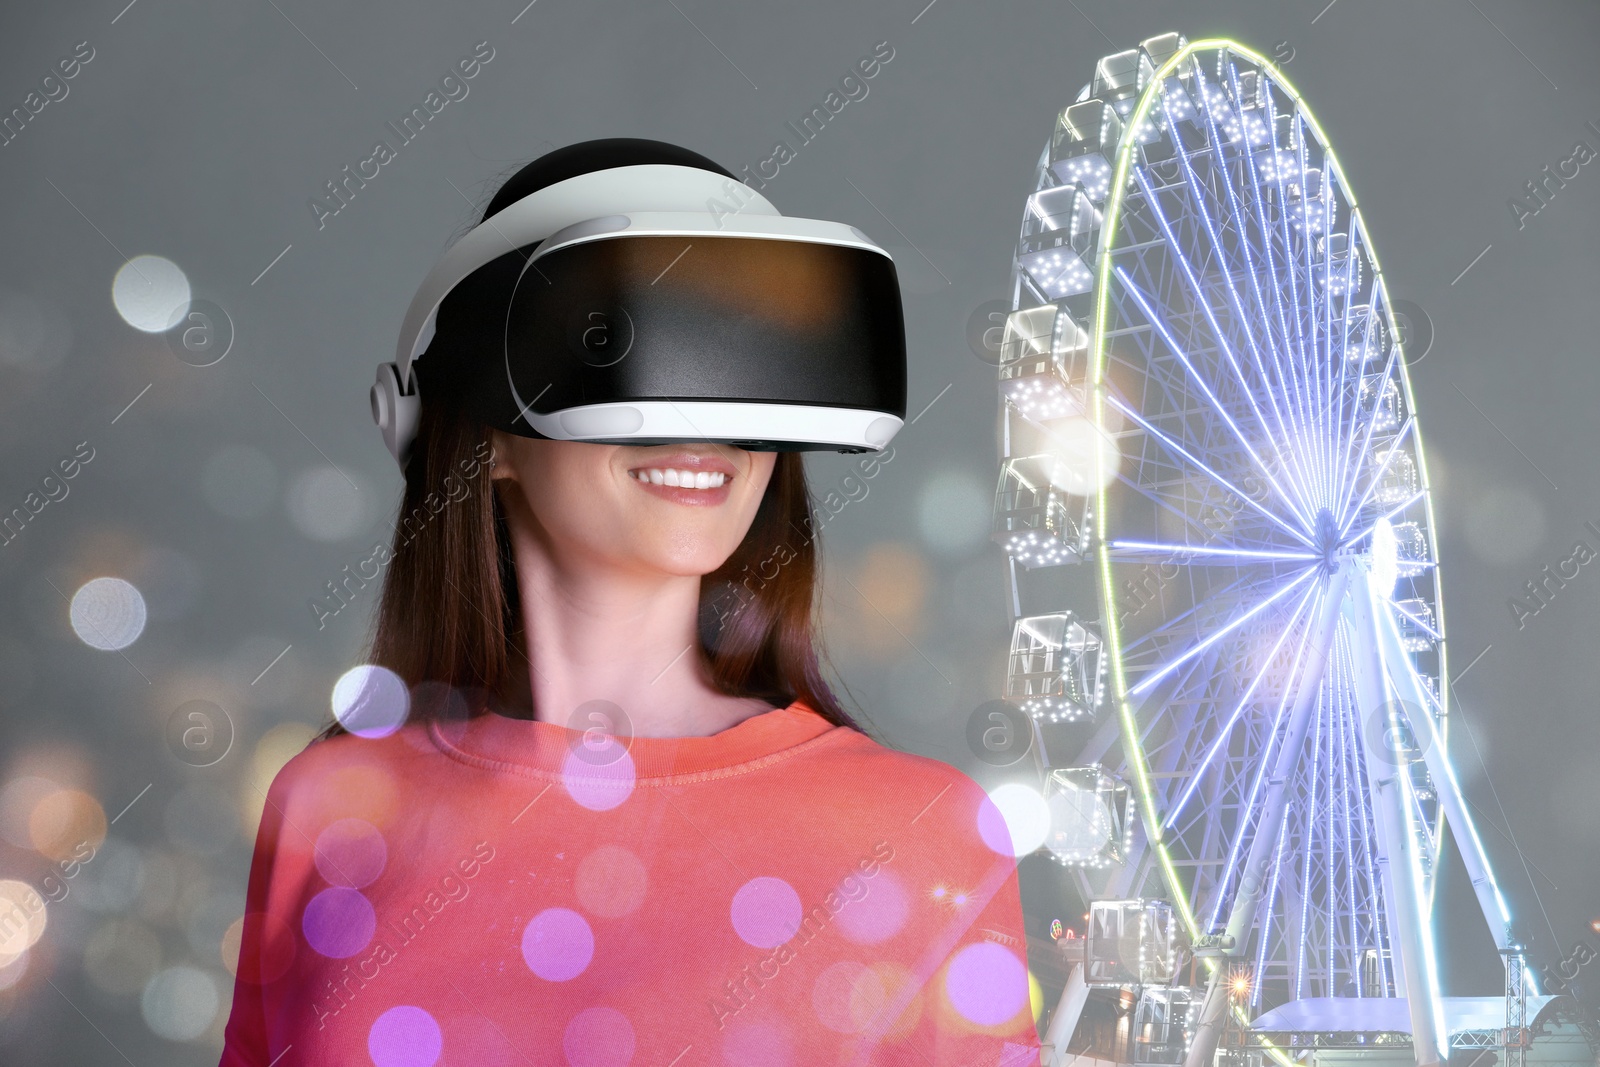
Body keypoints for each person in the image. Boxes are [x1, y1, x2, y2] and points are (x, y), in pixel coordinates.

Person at [218, 140, 1039, 1066]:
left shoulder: (922, 836)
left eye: (756, 351)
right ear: (481, 431)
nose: (708, 422)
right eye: (625, 344)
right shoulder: (330, 808)